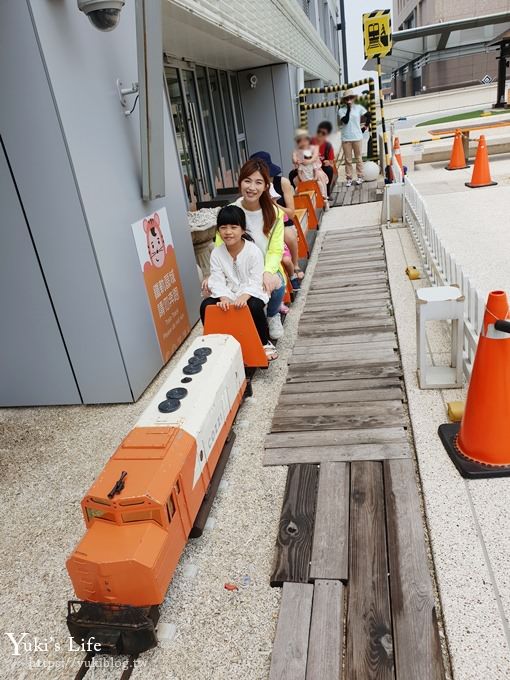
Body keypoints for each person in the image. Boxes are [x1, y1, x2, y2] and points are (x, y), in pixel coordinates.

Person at [202, 158, 286, 340]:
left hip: (262, 265)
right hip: (235, 268)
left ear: (266, 186)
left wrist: (268, 271)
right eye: (247, 181)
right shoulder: (231, 210)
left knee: (276, 283)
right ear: (240, 183)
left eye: (258, 182)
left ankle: (272, 314)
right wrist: (213, 274)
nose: (252, 187)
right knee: (212, 289)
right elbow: (220, 245)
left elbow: (275, 249)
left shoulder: (274, 213)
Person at [200, 205, 277, 361]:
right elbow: (217, 279)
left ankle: (263, 342)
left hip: (251, 291)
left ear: (243, 230)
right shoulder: (216, 253)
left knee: (253, 306)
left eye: (234, 227)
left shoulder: (253, 251)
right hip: (227, 292)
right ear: (218, 231)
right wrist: (224, 297)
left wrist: (244, 296)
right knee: (206, 305)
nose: (228, 232)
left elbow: (256, 280)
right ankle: (214, 345)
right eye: (223, 227)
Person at [250, 151, 304, 291]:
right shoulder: (252, 188)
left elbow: (291, 213)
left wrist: (272, 204)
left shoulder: (282, 182)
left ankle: (295, 264)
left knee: (288, 234)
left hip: (283, 220)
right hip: (262, 224)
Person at [292, 129, 329, 210]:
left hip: (314, 170)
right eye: (299, 140)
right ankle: (300, 202)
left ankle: (324, 198)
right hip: (302, 173)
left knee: (319, 178)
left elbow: (314, 159)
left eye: (304, 139)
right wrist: (297, 161)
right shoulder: (297, 151)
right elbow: (294, 160)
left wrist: (306, 161)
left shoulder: (314, 148)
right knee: (295, 180)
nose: (302, 142)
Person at [338, 89, 368, 187]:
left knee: (359, 158)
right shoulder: (341, 110)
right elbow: (345, 121)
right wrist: (349, 108)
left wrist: (365, 127)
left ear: (353, 98)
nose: (349, 99)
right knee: (348, 160)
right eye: (347, 98)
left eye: (351, 97)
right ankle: (349, 178)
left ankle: (360, 176)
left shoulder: (359, 107)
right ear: (345, 100)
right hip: (346, 138)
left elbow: (369, 116)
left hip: (357, 137)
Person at [312, 120, 336, 194]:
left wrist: (328, 162)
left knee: (329, 170)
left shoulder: (328, 146)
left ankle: (327, 191)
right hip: (310, 166)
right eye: (319, 132)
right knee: (291, 174)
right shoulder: (311, 142)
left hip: (321, 166)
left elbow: (331, 162)